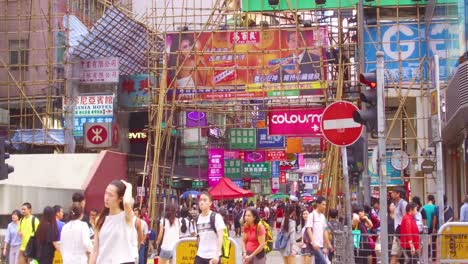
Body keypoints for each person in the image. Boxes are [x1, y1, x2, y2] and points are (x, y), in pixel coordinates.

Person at [89, 180, 137, 264]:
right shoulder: (100, 219)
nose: (106, 198)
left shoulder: (126, 216)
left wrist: (129, 186)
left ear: (120, 199)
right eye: (106, 193)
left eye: (111, 195)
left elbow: (126, 203)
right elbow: (95, 250)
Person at [194, 191, 226, 264]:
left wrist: (217, 255)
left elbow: (220, 237)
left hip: (214, 256)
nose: (202, 202)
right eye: (200, 200)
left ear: (210, 203)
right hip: (200, 256)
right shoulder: (197, 219)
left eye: (205, 200)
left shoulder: (216, 217)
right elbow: (198, 238)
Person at [304, 196, 330, 264]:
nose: (325, 207)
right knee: (324, 262)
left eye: (325, 205)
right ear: (318, 204)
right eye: (323, 204)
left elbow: (325, 231)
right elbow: (308, 229)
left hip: (321, 245)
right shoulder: (312, 215)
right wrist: (313, 242)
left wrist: (325, 246)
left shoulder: (323, 217)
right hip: (315, 245)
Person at [390, 187, 408, 264]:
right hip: (398, 233)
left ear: (398, 194)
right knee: (396, 255)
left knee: (395, 254)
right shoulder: (397, 204)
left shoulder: (403, 204)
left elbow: (406, 218)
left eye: (394, 192)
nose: (392, 194)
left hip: (401, 233)